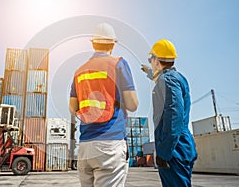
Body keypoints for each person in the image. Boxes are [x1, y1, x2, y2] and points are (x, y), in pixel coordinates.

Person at [69, 22, 138, 187]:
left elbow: (73, 108)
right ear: (113, 44)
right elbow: (132, 104)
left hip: (85, 146)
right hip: (110, 143)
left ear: (93, 44)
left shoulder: (79, 70)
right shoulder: (118, 64)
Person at [141, 39, 197, 187]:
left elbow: (174, 117)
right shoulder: (174, 77)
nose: (150, 62)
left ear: (157, 60)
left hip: (174, 150)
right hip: (178, 146)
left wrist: (164, 152)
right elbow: (160, 78)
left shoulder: (169, 80)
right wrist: (149, 72)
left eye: (151, 59)